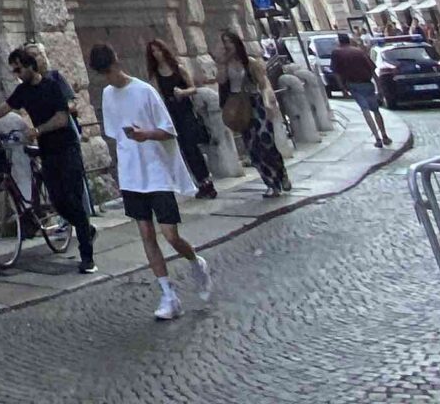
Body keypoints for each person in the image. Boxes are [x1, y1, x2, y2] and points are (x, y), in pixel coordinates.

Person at [88, 42, 211, 321]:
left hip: (156, 171)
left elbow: (169, 130)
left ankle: (195, 262)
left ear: (117, 62)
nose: (110, 77)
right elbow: (113, 132)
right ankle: (168, 294)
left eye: (110, 70)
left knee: (170, 235)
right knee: (146, 233)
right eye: (104, 73)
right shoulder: (108, 95)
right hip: (132, 173)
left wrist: (146, 134)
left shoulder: (145, 90)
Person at [0, 44, 96, 273]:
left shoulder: (52, 85)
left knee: (72, 198)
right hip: (48, 150)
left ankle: (88, 257)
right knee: (57, 200)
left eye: (18, 70)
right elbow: (5, 107)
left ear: (29, 66)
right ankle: (83, 226)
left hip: (66, 148)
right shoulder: (23, 91)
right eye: (13, 71)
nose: (16, 75)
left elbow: (62, 118)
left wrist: (38, 130)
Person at [142, 37, 217, 198]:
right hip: (170, 110)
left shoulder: (178, 68)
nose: (157, 54)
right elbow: (157, 94)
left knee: (191, 146)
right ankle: (199, 181)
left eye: (158, 50)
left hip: (185, 108)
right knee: (183, 147)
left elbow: (193, 88)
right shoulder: (155, 74)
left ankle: (206, 180)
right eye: (153, 52)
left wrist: (183, 92)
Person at [219, 31, 291, 196]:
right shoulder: (226, 65)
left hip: (255, 103)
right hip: (239, 106)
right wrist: (222, 63)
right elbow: (221, 82)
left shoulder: (250, 63)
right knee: (253, 147)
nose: (227, 45)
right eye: (225, 42)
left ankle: (281, 173)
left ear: (237, 43)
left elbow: (263, 84)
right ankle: (271, 183)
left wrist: (267, 102)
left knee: (267, 143)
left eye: (229, 41)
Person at [329, 32, 388, 145]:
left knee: (365, 110)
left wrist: (342, 88)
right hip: (367, 83)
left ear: (340, 41)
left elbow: (336, 72)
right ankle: (384, 134)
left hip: (353, 84)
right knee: (376, 110)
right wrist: (379, 87)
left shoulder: (336, 53)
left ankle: (377, 138)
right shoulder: (359, 51)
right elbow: (372, 69)